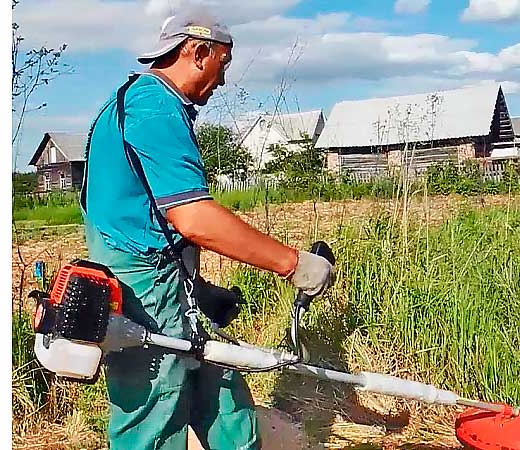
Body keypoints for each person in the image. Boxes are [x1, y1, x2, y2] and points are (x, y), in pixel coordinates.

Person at [80, 7, 334, 450]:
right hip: (143, 291)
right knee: (151, 419)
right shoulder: (154, 107)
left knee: (222, 391)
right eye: (223, 65)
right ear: (198, 52)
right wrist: (295, 264)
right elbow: (193, 217)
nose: (222, 81)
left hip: (163, 283)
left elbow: (146, 213)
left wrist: (197, 287)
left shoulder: (134, 103)